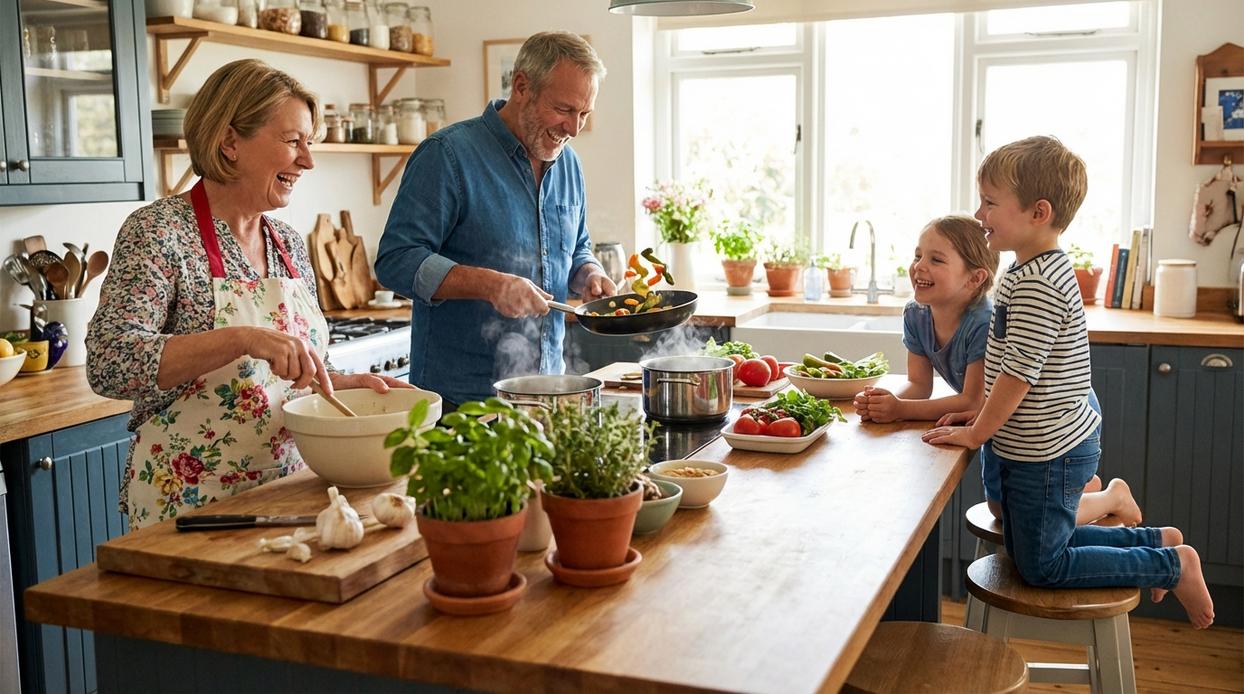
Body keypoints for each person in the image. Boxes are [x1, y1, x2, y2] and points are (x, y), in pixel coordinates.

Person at [87, 59, 409, 530]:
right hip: (190, 507)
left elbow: (284, 376)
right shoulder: (159, 232)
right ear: (230, 141)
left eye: (310, 143)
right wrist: (242, 338)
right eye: (292, 141)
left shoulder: (288, 242)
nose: (308, 160)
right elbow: (109, 364)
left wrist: (340, 382)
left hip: (289, 494)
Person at [923, 136, 1214, 629]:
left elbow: (1018, 374)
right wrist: (981, 415)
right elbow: (1005, 366)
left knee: (1043, 565)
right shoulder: (1025, 269)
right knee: (1033, 544)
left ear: (1039, 212)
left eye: (990, 203)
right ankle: (1157, 541)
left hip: (1048, 451)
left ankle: (1171, 563)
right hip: (1031, 443)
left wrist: (977, 433)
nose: (979, 213)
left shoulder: (1039, 283)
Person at [374, 31, 616, 408]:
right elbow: (395, 260)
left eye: (584, 114)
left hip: (547, 395)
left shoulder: (569, 165)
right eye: (565, 109)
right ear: (522, 86)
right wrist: (489, 284)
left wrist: (589, 273)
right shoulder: (447, 155)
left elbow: (577, 245)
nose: (574, 128)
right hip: (461, 404)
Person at [855, 215, 1141, 527]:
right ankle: (1082, 491)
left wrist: (900, 410)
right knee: (998, 509)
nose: (919, 266)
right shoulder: (915, 314)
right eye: (917, 255)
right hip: (1001, 413)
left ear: (975, 278)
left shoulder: (983, 321)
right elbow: (918, 384)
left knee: (1022, 517)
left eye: (936, 259)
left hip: (1049, 415)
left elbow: (972, 401)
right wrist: (885, 403)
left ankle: (1112, 498)